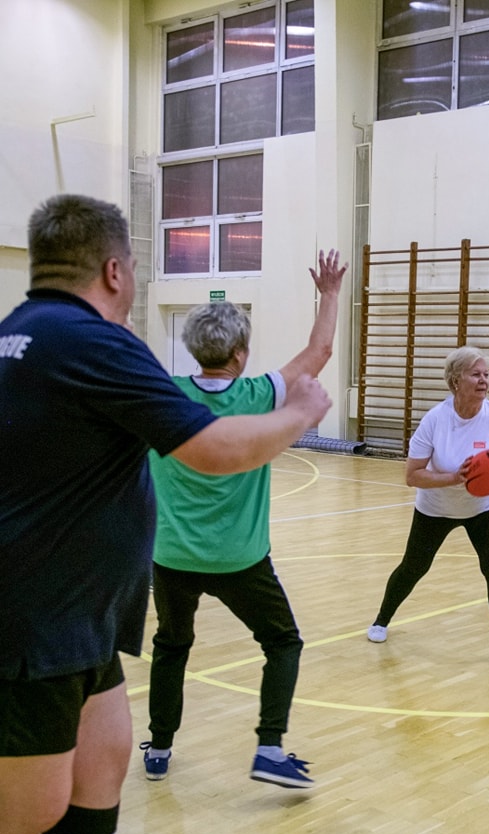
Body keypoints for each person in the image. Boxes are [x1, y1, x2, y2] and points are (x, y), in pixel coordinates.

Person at [0, 194, 331, 834]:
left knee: (103, 759)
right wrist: (302, 413)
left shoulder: (19, 335)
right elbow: (214, 447)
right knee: (32, 803)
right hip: (37, 620)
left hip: (74, 616)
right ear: (115, 269)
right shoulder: (93, 341)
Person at [141, 251, 347, 790]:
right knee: (282, 644)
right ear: (241, 352)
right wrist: (328, 293)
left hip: (171, 557)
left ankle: (159, 749)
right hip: (240, 559)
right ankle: (269, 748)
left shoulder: (164, 397)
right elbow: (320, 351)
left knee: (171, 645)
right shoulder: (257, 395)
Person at [366, 346, 489, 670]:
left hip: (485, 506)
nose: (484, 380)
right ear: (456, 380)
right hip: (437, 505)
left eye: (486, 374)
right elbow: (412, 475)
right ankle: (381, 620)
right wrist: (454, 478)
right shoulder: (435, 420)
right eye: (476, 374)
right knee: (413, 567)